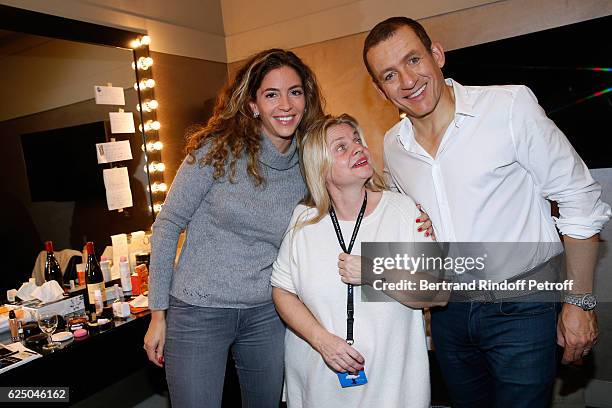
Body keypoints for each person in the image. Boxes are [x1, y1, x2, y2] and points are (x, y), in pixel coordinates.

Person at [362, 17, 611, 408]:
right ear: (380, 88)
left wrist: (579, 302)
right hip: (449, 315)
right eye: (390, 75)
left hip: (523, 307)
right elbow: (409, 225)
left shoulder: (509, 106)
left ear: (437, 54)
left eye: (413, 60)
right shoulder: (393, 145)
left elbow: (580, 199)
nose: (407, 81)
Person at [143, 49, 326, 408]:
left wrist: (407, 210)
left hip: (266, 313)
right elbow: (168, 224)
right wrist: (157, 313)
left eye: (295, 91)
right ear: (254, 104)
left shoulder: (310, 159)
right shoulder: (218, 151)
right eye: (271, 94)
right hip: (198, 310)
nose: (285, 104)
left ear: (306, 97)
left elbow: (347, 196)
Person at [271, 114, 435, 408]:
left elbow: (435, 293)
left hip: (392, 385)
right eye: (341, 147)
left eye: (357, 141)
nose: (358, 148)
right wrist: (322, 341)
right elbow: (282, 291)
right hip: (319, 381)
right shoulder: (304, 220)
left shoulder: (402, 210)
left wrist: (375, 271)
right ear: (320, 167)